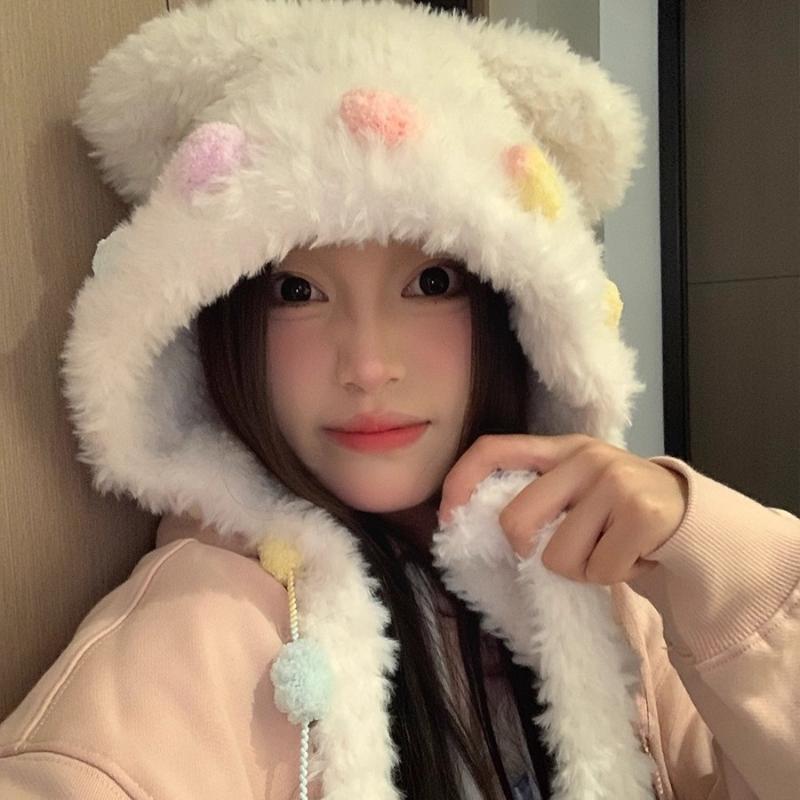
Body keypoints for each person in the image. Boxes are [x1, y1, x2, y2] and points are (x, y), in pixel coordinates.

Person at [1, 1, 797, 798]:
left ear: (518, 311)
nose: (369, 366)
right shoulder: (195, 637)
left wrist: (721, 564)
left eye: (432, 281)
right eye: (297, 290)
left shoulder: (607, 595)